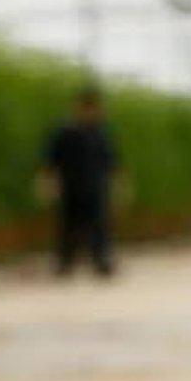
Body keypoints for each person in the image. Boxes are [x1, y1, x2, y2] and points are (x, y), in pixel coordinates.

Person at [40, 87, 117, 277]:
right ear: (80, 108)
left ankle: (101, 262)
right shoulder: (65, 131)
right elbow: (51, 160)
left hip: (95, 187)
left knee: (98, 226)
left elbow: (110, 161)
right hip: (70, 187)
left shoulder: (99, 133)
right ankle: (64, 264)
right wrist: (47, 183)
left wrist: (117, 183)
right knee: (67, 226)